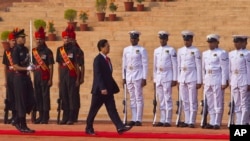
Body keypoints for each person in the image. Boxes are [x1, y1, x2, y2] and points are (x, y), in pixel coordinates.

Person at [85, 39, 132, 135]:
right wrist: (102, 88)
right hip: (99, 91)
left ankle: (120, 127)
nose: (109, 48)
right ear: (101, 48)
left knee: (112, 109)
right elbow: (98, 75)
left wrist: (112, 87)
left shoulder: (108, 59)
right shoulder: (97, 59)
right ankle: (88, 127)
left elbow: (108, 75)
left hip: (108, 90)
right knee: (93, 110)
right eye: (107, 46)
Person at [202, 34, 229, 129]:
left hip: (217, 77)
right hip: (208, 78)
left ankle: (217, 122)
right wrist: (203, 80)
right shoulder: (205, 53)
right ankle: (212, 121)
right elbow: (203, 69)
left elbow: (225, 68)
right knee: (210, 102)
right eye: (209, 42)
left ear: (217, 42)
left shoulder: (222, 53)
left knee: (218, 100)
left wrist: (224, 82)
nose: (210, 44)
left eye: (212, 42)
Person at [122, 30, 148, 126]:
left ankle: (139, 119)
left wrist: (144, 78)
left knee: (138, 97)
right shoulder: (126, 49)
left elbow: (145, 64)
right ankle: (133, 118)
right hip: (129, 75)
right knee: (132, 98)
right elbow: (124, 64)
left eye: (134, 38)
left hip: (138, 75)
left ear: (138, 39)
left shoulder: (142, 50)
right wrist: (123, 77)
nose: (133, 40)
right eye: (131, 38)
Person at [12, 29, 35, 133]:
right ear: (17, 39)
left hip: (26, 77)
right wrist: (27, 69)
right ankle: (22, 124)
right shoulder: (15, 50)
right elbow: (16, 66)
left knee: (31, 100)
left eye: (24, 37)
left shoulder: (26, 49)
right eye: (22, 37)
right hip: (19, 77)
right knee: (21, 102)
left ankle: (16, 119)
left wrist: (32, 67)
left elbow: (27, 63)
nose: (24, 39)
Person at [177, 30, 202, 128]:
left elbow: (199, 66)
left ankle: (192, 120)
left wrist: (199, 81)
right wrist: (179, 80)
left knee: (192, 100)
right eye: (185, 40)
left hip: (192, 77)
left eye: (188, 40)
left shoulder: (195, 51)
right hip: (183, 78)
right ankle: (187, 120)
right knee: (185, 100)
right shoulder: (180, 51)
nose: (186, 42)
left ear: (191, 40)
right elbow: (179, 66)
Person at [56, 27, 80, 125]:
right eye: (64, 38)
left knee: (72, 97)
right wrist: (58, 79)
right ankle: (64, 117)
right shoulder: (59, 50)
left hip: (72, 76)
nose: (66, 40)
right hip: (63, 76)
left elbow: (77, 65)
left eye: (67, 38)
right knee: (64, 96)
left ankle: (71, 117)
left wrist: (78, 79)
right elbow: (58, 65)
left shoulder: (75, 49)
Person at [153, 31, 177, 127]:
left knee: (168, 98)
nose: (162, 40)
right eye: (161, 39)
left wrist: (174, 78)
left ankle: (168, 119)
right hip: (159, 76)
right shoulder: (156, 50)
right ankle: (162, 119)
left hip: (167, 75)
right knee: (161, 99)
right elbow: (155, 66)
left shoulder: (171, 50)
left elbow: (175, 65)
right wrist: (155, 79)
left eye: (164, 39)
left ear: (167, 39)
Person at [32, 27, 54, 124]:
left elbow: (50, 66)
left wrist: (50, 78)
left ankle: (45, 116)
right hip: (36, 77)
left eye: (40, 39)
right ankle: (40, 115)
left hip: (45, 77)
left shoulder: (48, 51)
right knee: (38, 96)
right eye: (37, 39)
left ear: (43, 40)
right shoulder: (34, 52)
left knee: (45, 96)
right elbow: (32, 65)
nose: (38, 41)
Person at [229, 35, 250, 125]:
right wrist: (230, 82)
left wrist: (249, 82)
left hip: (244, 80)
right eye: (235, 42)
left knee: (244, 103)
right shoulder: (231, 54)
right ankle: (238, 122)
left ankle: (243, 122)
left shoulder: (247, 53)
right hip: (234, 80)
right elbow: (230, 69)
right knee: (237, 103)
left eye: (237, 42)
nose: (236, 44)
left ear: (242, 43)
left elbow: (249, 69)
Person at [2, 30, 17, 124]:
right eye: (12, 40)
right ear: (9, 41)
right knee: (10, 97)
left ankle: (17, 115)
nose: (14, 42)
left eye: (15, 40)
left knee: (17, 97)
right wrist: (5, 79)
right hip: (10, 75)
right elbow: (5, 67)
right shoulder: (6, 52)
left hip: (17, 75)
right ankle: (12, 115)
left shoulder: (18, 50)